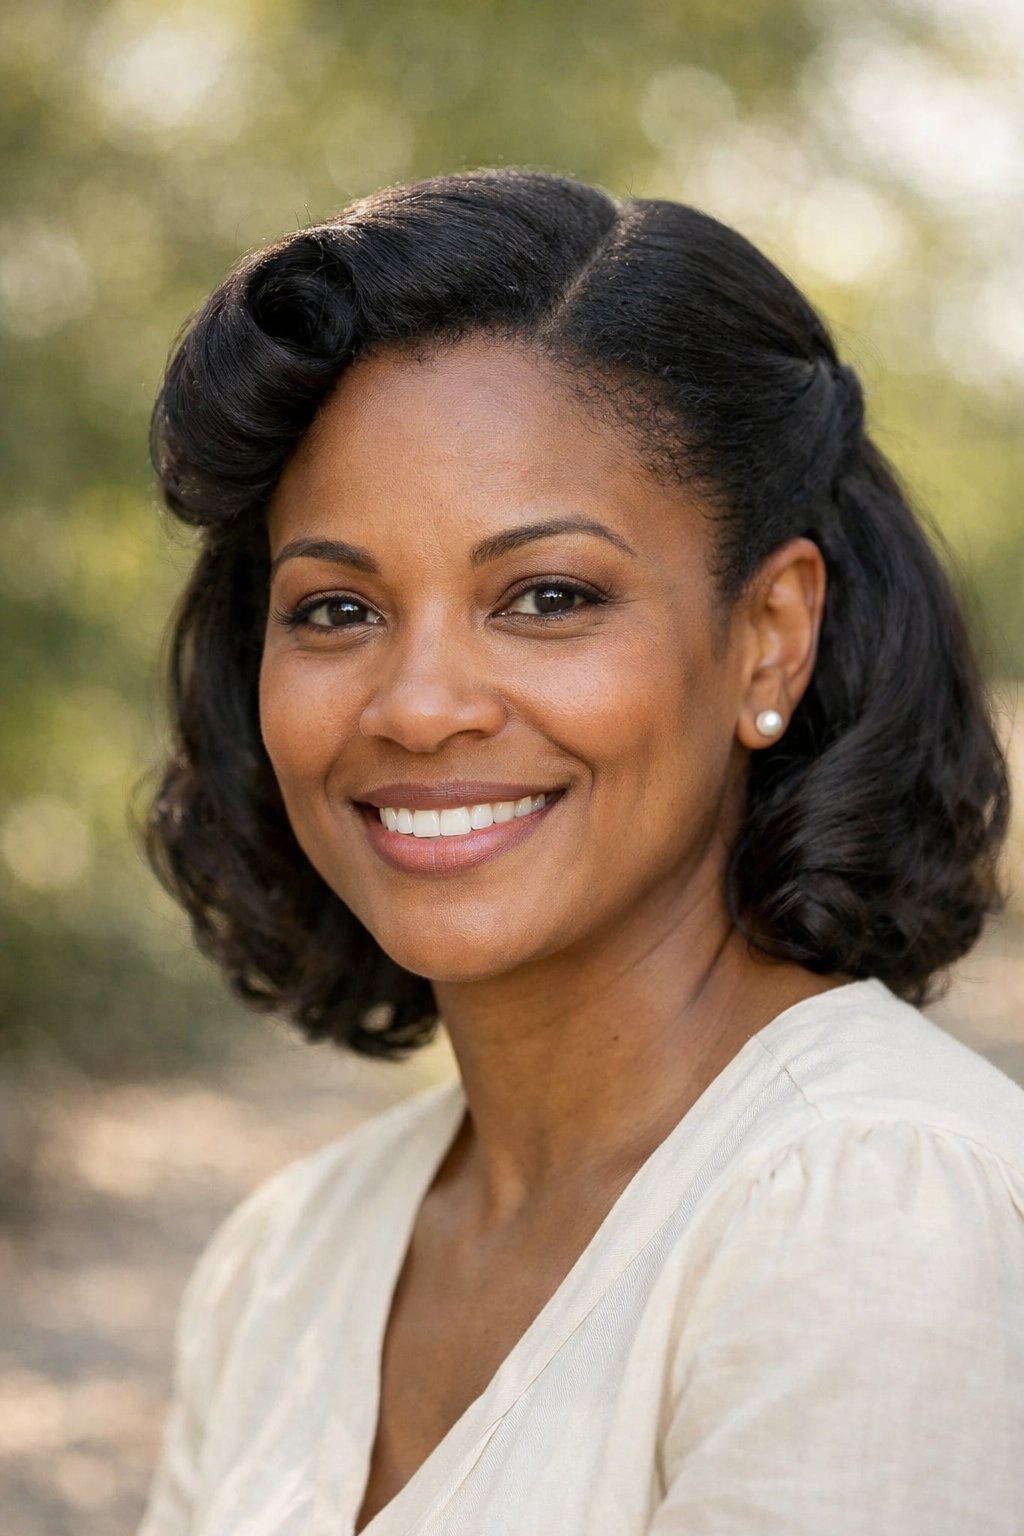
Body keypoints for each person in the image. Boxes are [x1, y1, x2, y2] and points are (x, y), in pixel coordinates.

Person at [138, 170, 1023, 1536]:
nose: (421, 704)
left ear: (770, 635)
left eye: (547, 597)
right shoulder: (285, 1261)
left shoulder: (877, 1206)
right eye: (336, 607)